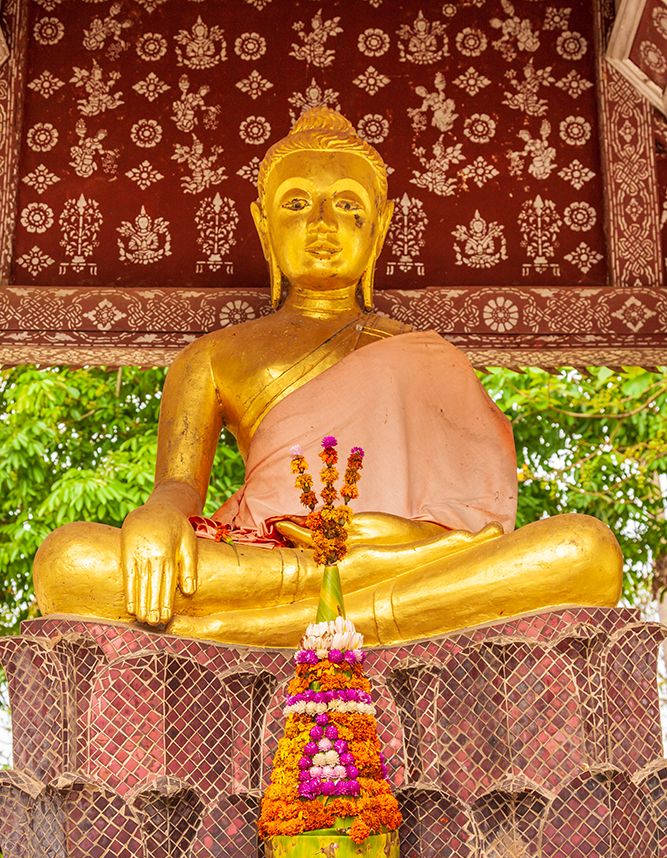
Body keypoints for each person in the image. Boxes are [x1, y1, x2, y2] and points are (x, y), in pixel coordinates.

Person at [33, 109, 622, 647]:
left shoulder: (427, 355)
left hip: (413, 556)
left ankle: (248, 631)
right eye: (295, 204)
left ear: (379, 227)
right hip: (275, 559)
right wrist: (158, 517)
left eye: (346, 205)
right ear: (263, 226)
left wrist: (399, 539)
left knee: (584, 550)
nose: (321, 223)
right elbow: (177, 489)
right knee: (70, 561)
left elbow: (474, 524)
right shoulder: (212, 357)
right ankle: (355, 608)